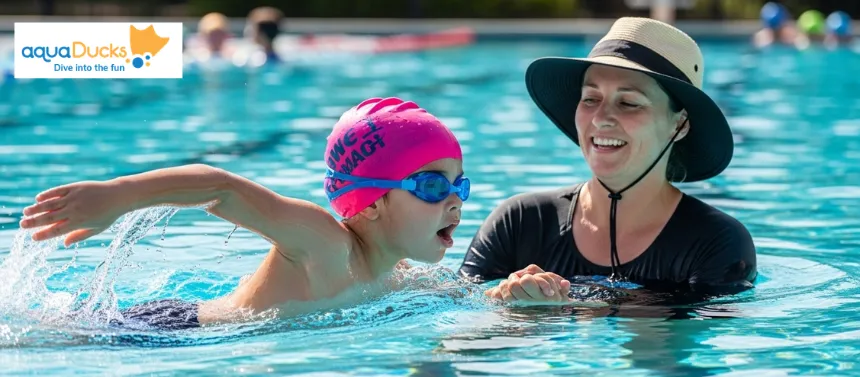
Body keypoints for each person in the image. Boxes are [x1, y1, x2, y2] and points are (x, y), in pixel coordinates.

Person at [19, 97, 470, 330]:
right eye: (432, 185)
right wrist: (117, 196)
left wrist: (510, 297)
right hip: (166, 329)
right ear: (370, 203)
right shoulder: (323, 244)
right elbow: (221, 187)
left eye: (460, 185)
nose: (455, 200)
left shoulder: (398, 274)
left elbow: (462, 295)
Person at [458, 17, 757, 304]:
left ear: (679, 125)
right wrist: (509, 312)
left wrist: (557, 313)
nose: (601, 119)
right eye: (590, 99)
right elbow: (460, 333)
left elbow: (670, 351)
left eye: (628, 102)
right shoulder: (520, 223)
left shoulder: (715, 242)